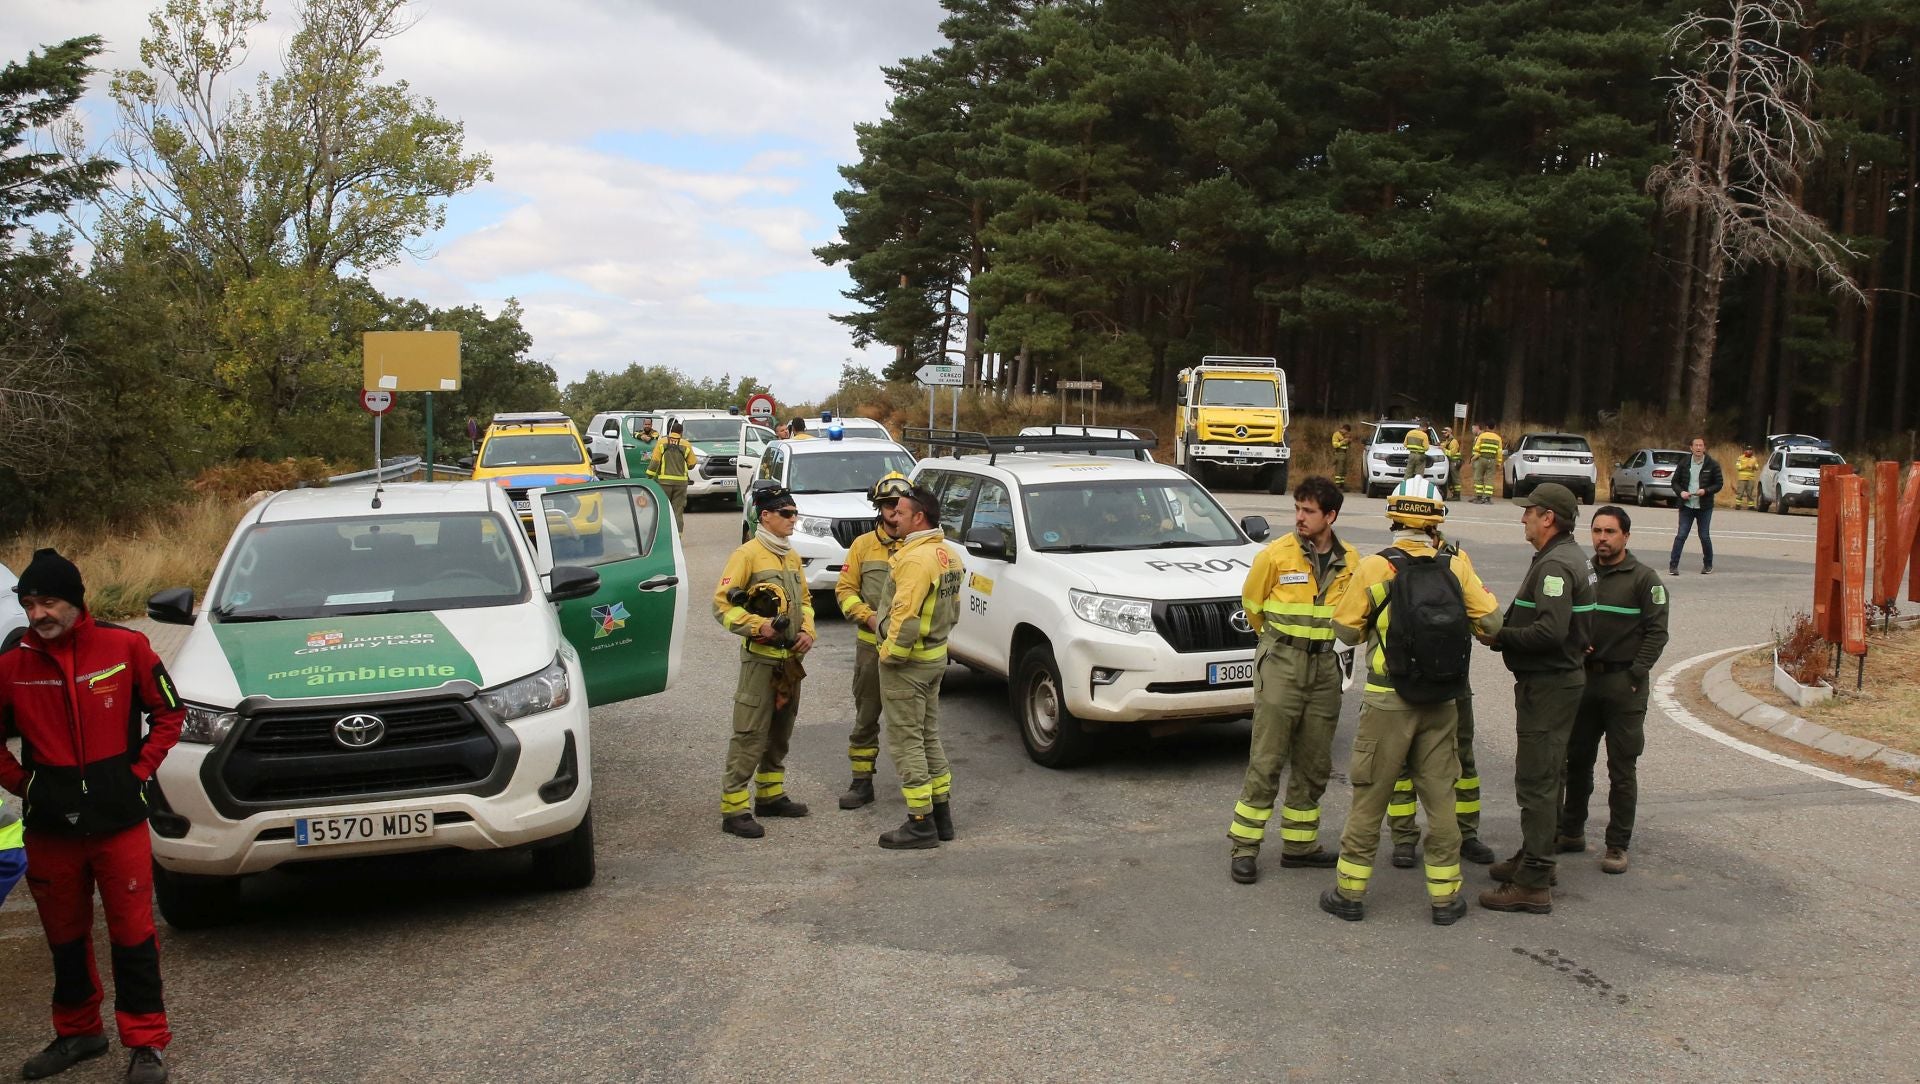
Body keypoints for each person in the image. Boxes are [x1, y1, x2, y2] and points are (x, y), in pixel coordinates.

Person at [0, 549, 182, 1084]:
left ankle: (146, 1043)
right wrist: (25, 784)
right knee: (64, 935)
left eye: (49, 602)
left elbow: (170, 712)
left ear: (77, 602)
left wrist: (138, 771)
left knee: (132, 934)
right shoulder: (11, 666)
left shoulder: (126, 647)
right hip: (52, 830)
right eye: (29, 604)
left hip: (118, 822)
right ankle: (79, 1031)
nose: (38, 614)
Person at [1318, 478, 1501, 926]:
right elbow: (1492, 623)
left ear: (1395, 517)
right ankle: (1444, 900)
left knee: (1370, 797)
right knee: (1441, 799)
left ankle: (1350, 894)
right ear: (1437, 520)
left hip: (1387, 700)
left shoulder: (1377, 567)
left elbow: (1343, 630)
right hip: (1442, 701)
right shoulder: (1456, 565)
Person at [1226, 476, 1358, 884]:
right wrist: (1279, 645)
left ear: (1330, 516)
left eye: (1309, 511)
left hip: (1324, 669)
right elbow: (1252, 607)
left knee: (1315, 761)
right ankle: (1244, 848)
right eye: (1297, 509)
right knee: (1267, 759)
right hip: (1282, 661)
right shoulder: (1275, 556)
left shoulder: (1351, 560)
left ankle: (1300, 846)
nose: (1299, 517)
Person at [1480, 483, 1594, 915]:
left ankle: (1534, 880)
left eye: (1529, 511)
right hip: (1555, 682)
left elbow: (1551, 632)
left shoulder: (1555, 566)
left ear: (1548, 518)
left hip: (1548, 685)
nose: (1523, 517)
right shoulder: (1563, 556)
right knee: (1549, 774)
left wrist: (1500, 635)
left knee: (1537, 781)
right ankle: (1533, 858)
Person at [1560, 506, 1669, 874]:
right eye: (1597, 531)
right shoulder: (1583, 573)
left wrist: (1637, 671)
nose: (1602, 538)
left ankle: (1617, 845)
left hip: (1624, 686)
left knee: (1622, 769)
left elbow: (1657, 632)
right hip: (1584, 682)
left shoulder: (1644, 580)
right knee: (1576, 762)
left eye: (1610, 532)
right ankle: (1571, 830)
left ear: (1626, 536)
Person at [1385, 528, 1496, 869]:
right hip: (1428, 679)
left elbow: (1485, 620)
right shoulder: (1389, 564)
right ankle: (1405, 837)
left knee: (1459, 761)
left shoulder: (1456, 562)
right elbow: (1490, 623)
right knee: (1408, 762)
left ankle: (1463, 834)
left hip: (1441, 680)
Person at [713, 487, 817, 838]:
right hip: (760, 662)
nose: (793, 519)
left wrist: (808, 631)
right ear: (766, 515)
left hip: (790, 662)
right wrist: (760, 626)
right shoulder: (747, 555)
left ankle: (771, 796)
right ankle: (734, 810)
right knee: (750, 734)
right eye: (786, 513)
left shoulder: (791, 556)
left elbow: (805, 600)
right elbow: (722, 607)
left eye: (794, 513)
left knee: (780, 733)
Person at [874, 485, 966, 849]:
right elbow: (953, 611)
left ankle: (920, 824)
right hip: (934, 659)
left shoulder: (915, 560)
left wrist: (889, 656)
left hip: (908, 665)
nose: (893, 516)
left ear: (919, 517)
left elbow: (906, 618)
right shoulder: (948, 555)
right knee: (928, 736)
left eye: (900, 511)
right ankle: (942, 818)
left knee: (906, 742)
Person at [832, 472, 911, 809]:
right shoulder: (863, 546)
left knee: (911, 723)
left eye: (901, 504)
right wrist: (866, 616)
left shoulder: (920, 547)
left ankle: (919, 790)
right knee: (866, 717)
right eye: (888, 504)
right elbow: (844, 590)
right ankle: (861, 782)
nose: (895, 511)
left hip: (910, 651)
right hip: (871, 650)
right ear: (878, 508)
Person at [1668, 436, 1723, 575]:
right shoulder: (1684, 463)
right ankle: (1673, 566)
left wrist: (1706, 491)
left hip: (1704, 506)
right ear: (1691, 448)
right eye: (1696, 445)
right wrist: (1681, 493)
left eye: (1701, 445)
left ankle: (1708, 564)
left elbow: (1718, 484)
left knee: (1704, 536)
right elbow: (1674, 482)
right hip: (1687, 505)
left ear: (1704, 448)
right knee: (1681, 535)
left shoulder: (1712, 464)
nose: (1699, 448)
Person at [647, 419, 692, 533]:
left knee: (664, 509)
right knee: (677, 511)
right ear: (681, 433)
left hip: (664, 483)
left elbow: (655, 462)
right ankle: (677, 538)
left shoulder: (662, 442)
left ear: (670, 431)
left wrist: (649, 477)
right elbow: (692, 464)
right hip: (681, 484)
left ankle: (664, 534)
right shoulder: (686, 444)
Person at [1471, 423, 1504, 505]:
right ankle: (1487, 498)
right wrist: (1499, 462)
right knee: (1490, 479)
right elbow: (1499, 452)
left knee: (1478, 477)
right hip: (1492, 460)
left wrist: (1474, 458)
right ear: (1494, 427)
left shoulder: (1482, 436)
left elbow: (1476, 448)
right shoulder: (1498, 438)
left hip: (1481, 459)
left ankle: (1479, 497)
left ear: (1486, 427)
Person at [1734, 445, 1760, 511]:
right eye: (1748, 450)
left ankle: (1751, 506)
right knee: (1740, 492)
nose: (1749, 451)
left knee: (1750, 492)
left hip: (1751, 478)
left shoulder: (1754, 458)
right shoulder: (1740, 458)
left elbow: (1757, 467)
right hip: (1742, 478)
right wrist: (1746, 466)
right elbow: (1738, 467)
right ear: (1745, 451)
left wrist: (1754, 466)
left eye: (1750, 450)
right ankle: (1738, 505)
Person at [1441, 427, 1463, 500]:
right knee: (1449, 479)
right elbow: (1444, 445)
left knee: (1455, 479)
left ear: (1450, 432)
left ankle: (1457, 495)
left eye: (1445, 433)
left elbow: (1452, 453)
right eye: (1443, 433)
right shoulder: (1447, 441)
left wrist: (1443, 449)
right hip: (1450, 462)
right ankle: (1454, 494)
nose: (1444, 434)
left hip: (1455, 462)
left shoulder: (1454, 442)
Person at [1330, 424, 1354, 491]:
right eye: (1346, 431)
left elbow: (1347, 445)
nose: (1346, 433)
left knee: (1344, 470)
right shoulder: (1336, 435)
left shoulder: (1346, 435)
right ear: (1343, 429)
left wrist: (1349, 441)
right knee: (1339, 470)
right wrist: (1343, 442)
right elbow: (1335, 445)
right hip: (1339, 454)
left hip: (1345, 454)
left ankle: (1342, 485)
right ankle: (1337, 486)